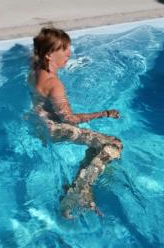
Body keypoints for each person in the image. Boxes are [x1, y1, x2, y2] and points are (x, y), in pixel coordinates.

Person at [28, 27, 123, 218]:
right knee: (113, 144)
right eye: (64, 49)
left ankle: (80, 190)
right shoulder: (54, 84)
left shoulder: (34, 70)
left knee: (96, 147)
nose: (69, 53)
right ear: (49, 55)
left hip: (37, 125)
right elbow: (69, 119)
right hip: (55, 129)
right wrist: (103, 113)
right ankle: (78, 193)